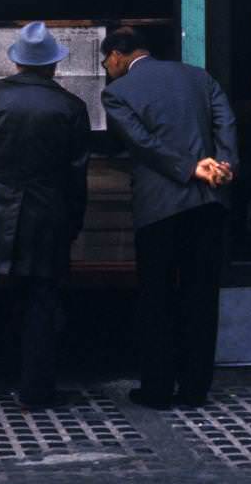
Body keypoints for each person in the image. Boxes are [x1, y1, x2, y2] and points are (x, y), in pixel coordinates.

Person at [0, 21, 90, 410]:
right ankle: (35, 390)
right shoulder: (71, 107)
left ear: (17, 63)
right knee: (41, 302)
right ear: (53, 65)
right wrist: (74, 221)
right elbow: (77, 174)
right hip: (48, 214)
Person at [99, 27, 238, 410]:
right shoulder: (198, 76)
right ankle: (195, 389)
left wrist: (190, 168)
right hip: (209, 203)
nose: (106, 69)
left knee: (156, 298)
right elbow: (225, 122)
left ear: (116, 55)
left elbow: (143, 143)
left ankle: (158, 389)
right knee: (201, 295)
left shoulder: (117, 93)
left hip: (159, 208)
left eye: (105, 61)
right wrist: (224, 165)